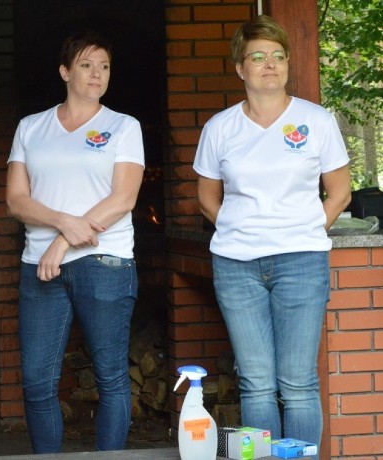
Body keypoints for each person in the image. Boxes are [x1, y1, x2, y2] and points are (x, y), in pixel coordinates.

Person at [193, 15, 351, 452]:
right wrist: (244, 231)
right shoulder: (219, 128)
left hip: (302, 261)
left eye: (278, 56)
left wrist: (300, 230)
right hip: (236, 265)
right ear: (240, 69)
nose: (270, 65)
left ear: (287, 65)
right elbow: (207, 199)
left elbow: (339, 194)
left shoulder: (315, 120)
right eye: (257, 57)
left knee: (298, 382)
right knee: (256, 384)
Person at [6, 31, 144, 453]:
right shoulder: (31, 127)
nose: (97, 74)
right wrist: (63, 222)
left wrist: (62, 241)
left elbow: (123, 198)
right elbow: (16, 200)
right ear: (65, 71)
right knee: (37, 382)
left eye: (103, 66)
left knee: (111, 377)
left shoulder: (123, 126)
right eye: (86, 65)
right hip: (39, 267)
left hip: (106, 262)